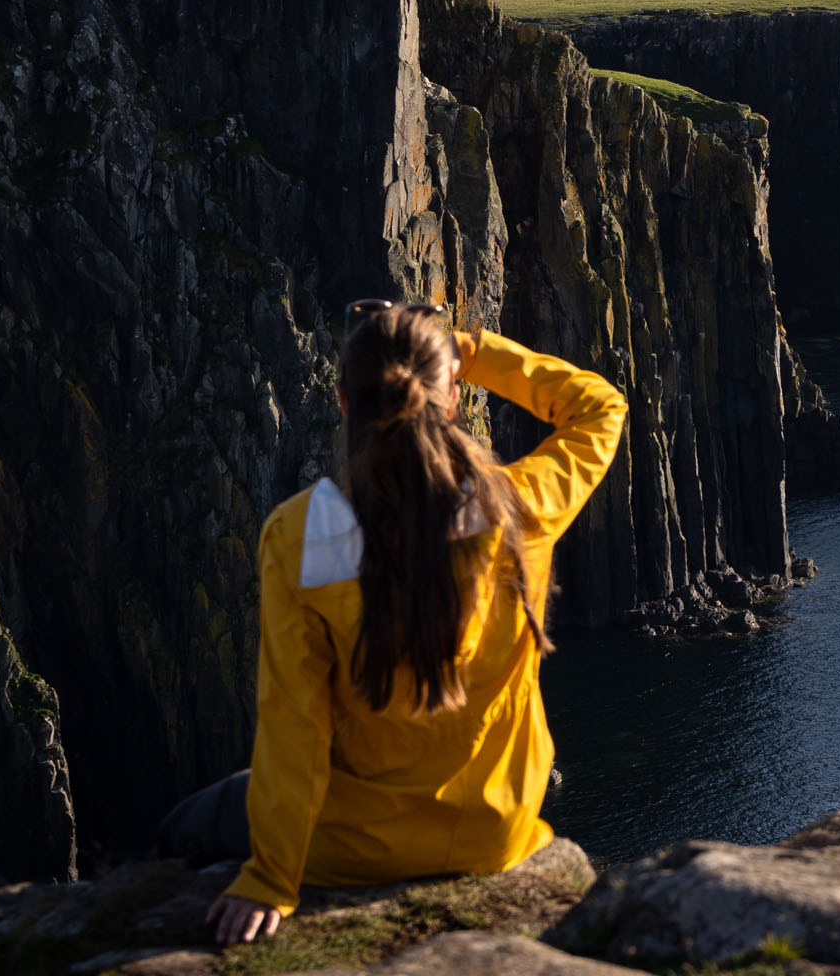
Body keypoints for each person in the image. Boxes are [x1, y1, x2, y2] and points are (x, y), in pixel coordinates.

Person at [167, 302, 626, 945]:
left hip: (352, 851)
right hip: (498, 831)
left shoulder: (299, 540)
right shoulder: (519, 509)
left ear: (344, 404)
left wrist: (271, 879)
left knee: (190, 821)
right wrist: (469, 346)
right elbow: (601, 407)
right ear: (453, 404)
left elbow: (293, 726)